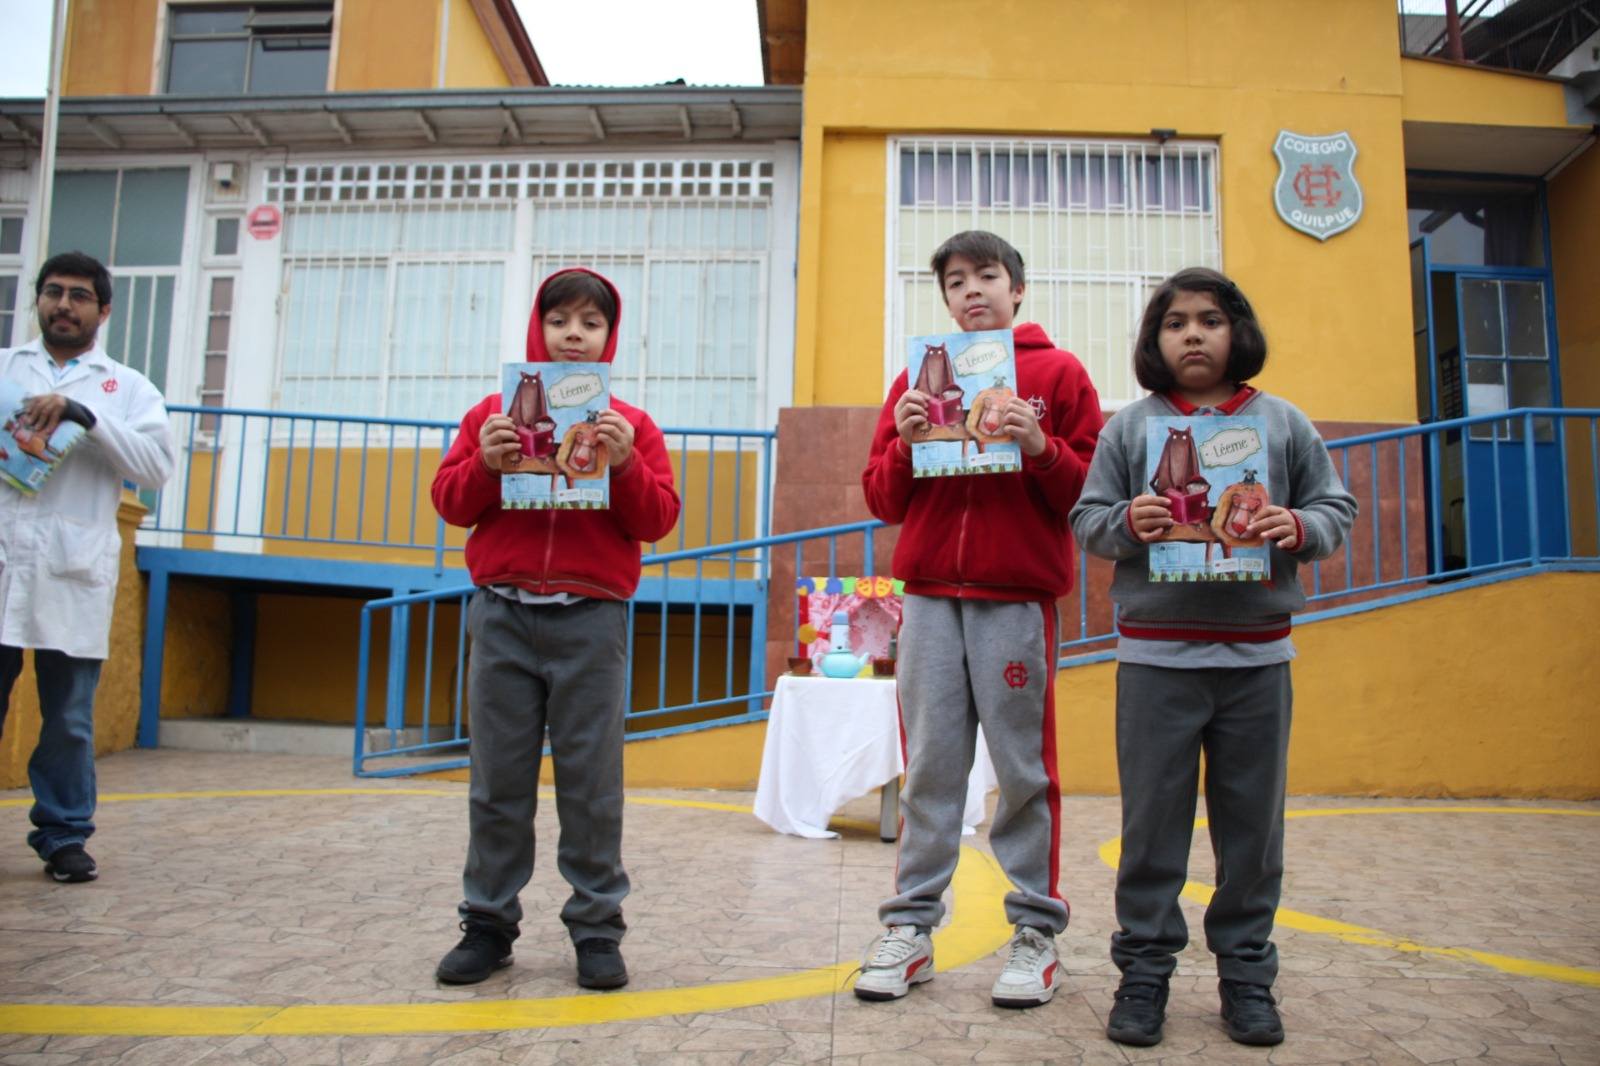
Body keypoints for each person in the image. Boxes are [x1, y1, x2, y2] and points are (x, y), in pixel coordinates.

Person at [1070, 267, 1357, 1047]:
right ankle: (1144, 973)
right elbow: (1088, 519)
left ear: (1238, 333)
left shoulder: (1282, 423)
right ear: (1154, 340)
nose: (1192, 334)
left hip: (1257, 663)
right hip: (1156, 662)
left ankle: (1247, 975)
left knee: (1252, 833)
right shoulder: (1130, 429)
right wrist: (1127, 521)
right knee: (1151, 828)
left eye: (1209, 320)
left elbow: (1336, 508)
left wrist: (1300, 526)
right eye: (1175, 323)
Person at [857, 230, 1102, 1008]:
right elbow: (882, 498)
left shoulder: (1058, 374)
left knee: (1024, 770)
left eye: (986, 275)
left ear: (1016, 289)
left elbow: (1089, 495)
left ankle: (1035, 932)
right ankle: (910, 928)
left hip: (1015, 600)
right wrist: (905, 443)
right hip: (930, 596)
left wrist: (1040, 444)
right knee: (931, 767)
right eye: (955, 280)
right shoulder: (916, 378)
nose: (971, 290)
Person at [429, 268, 680, 989]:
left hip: (591, 619)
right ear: (537, 329)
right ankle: (488, 924)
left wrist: (625, 465)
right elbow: (450, 502)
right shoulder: (491, 415)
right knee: (497, 781)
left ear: (610, 337)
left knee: (592, 785)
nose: (574, 334)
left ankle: (597, 929)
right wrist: (486, 464)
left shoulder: (632, 425)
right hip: (502, 615)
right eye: (560, 320)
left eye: (591, 323)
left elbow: (659, 518)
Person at [0, 251, 175, 883]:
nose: (63, 305)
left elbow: (156, 467)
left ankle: (63, 833)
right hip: (4, 560)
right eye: (53, 292)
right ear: (38, 301)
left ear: (103, 311)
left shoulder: (126, 388)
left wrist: (86, 418)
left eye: (78, 295)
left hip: (70, 573)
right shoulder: (5, 369)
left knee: (70, 719)